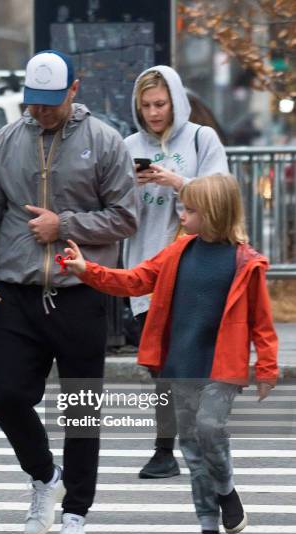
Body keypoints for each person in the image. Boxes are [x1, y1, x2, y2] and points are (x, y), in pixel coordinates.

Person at [0, 50, 138, 534]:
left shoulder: (104, 142)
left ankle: (77, 511)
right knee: (6, 397)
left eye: (51, 103)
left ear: (74, 90)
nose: (41, 112)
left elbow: (126, 216)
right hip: (16, 291)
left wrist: (65, 225)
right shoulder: (6, 141)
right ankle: (45, 476)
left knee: (80, 407)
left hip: (80, 291)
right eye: (33, 103)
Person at [63, 174, 278, 534]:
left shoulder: (245, 262)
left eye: (190, 209)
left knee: (210, 428)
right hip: (179, 367)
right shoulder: (177, 253)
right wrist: (88, 271)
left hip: (221, 369)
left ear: (213, 214)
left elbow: (262, 321)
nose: (182, 215)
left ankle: (225, 488)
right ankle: (208, 525)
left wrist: (267, 368)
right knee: (192, 449)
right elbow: (133, 281)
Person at [123, 65, 229, 479]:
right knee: (160, 364)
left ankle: (170, 447)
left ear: (176, 102)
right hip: (148, 266)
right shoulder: (129, 144)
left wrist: (178, 181)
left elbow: (221, 194)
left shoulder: (202, 139)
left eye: (160, 104)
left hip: (198, 265)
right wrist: (128, 185)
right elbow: (115, 207)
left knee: (181, 361)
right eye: (146, 105)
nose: (153, 113)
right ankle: (174, 445)